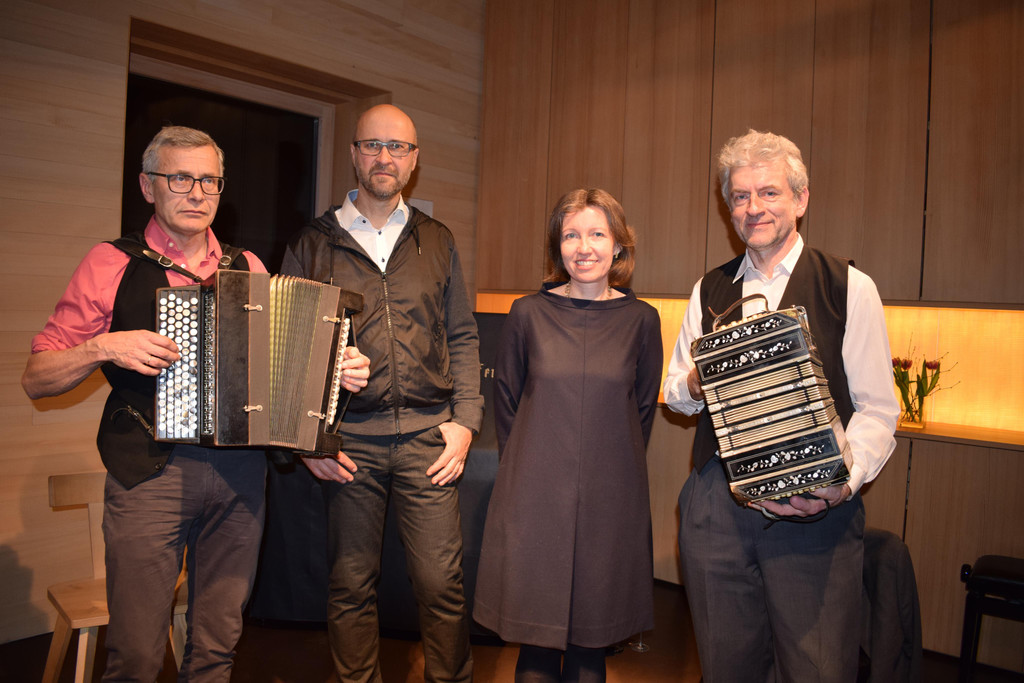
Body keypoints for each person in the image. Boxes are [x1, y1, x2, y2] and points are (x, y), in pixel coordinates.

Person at [21, 125, 370, 681]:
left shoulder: (247, 266)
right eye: (180, 178)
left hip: (240, 478)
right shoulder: (111, 262)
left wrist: (336, 373)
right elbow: (36, 378)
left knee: (216, 650)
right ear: (148, 186)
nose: (197, 192)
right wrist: (103, 346)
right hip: (150, 474)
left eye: (209, 181)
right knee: (136, 655)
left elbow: (280, 378)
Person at [662, 130, 899, 682]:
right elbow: (674, 392)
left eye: (769, 193)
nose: (754, 208)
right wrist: (700, 379)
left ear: (801, 198)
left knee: (817, 669)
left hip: (814, 510)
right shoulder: (709, 289)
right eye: (740, 196)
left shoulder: (849, 286)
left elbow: (878, 409)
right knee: (726, 667)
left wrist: (843, 484)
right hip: (717, 509)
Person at [280, 103, 483, 683]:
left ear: (414, 160)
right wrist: (306, 442)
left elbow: (462, 335)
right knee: (350, 586)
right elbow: (285, 350)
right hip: (349, 444)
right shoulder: (312, 244)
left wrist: (466, 421)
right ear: (354, 154)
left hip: (428, 438)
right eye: (373, 145)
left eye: (398, 147)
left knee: (441, 584)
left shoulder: (437, 240)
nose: (385, 157)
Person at [473, 189, 663, 683]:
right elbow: (507, 403)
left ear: (618, 245)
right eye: (571, 235)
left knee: (590, 651)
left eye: (597, 234)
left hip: (610, 499)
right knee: (535, 649)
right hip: (535, 497)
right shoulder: (526, 314)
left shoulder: (642, 321)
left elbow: (641, 411)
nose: (584, 247)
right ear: (557, 247)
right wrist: (531, 468)